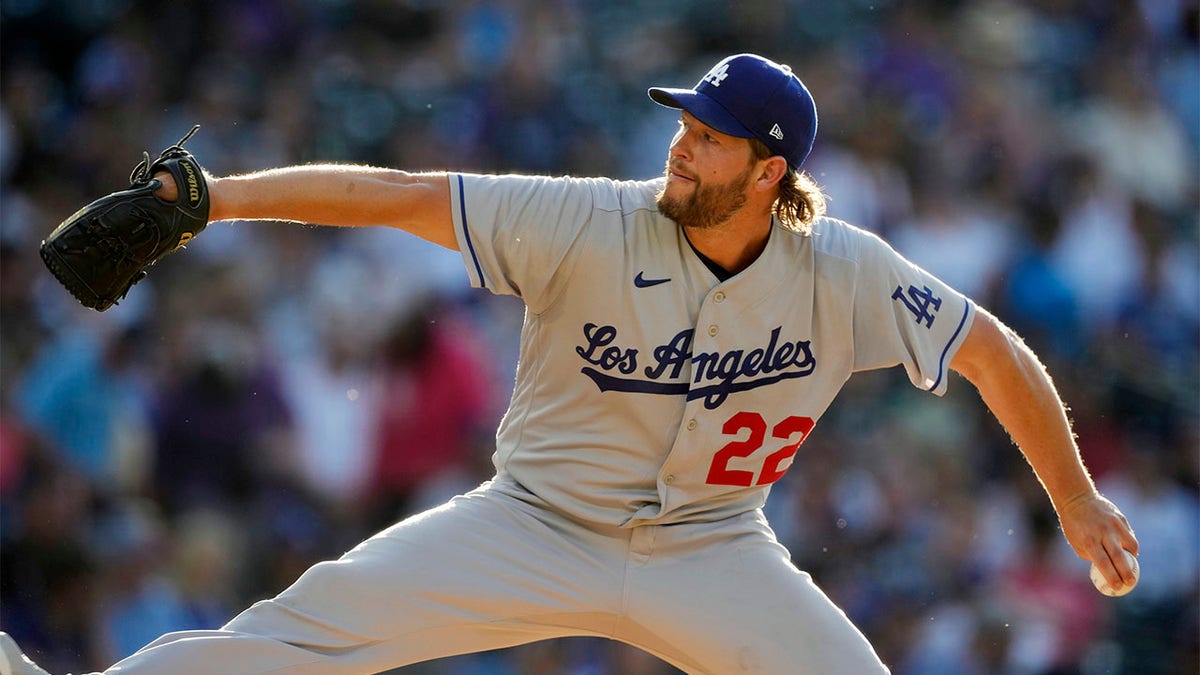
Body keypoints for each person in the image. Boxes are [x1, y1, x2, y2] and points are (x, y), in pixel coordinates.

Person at [3, 52, 1138, 675]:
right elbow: (402, 200)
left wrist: (1075, 499)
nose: (680, 142)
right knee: (304, 635)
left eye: (709, 135)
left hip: (711, 548)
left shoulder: (842, 268)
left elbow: (989, 349)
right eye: (684, 123)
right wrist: (217, 202)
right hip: (535, 525)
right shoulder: (590, 218)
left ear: (767, 173)